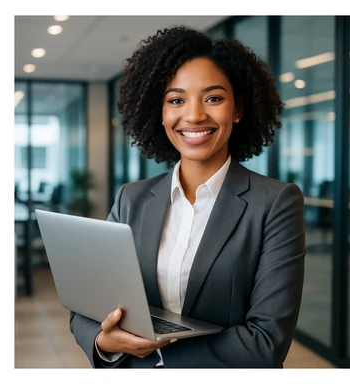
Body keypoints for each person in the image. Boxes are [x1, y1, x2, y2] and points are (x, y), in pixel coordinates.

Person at [69, 26, 306, 368]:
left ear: (237, 109)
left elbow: (267, 341)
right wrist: (105, 342)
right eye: (176, 100)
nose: (194, 115)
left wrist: (159, 350)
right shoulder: (131, 199)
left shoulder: (275, 203)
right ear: (161, 113)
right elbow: (88, 307)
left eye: (213, 98)